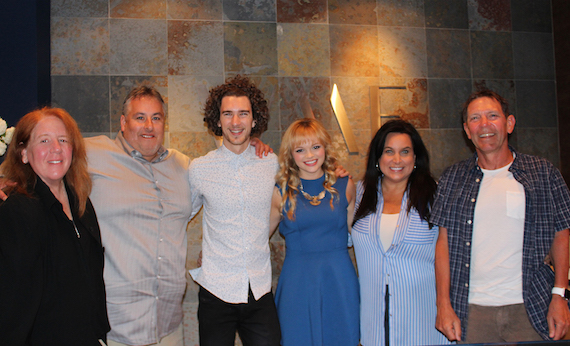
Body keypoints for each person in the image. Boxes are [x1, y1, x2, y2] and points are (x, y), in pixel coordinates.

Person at [86, 86, 270, 346]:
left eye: (157, 117)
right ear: (123, 122)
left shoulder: (184, 166)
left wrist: (248, 143)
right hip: (117, 326)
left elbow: (224, 176)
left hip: (169, 327)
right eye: (140, 117)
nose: (149, 126)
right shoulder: (94, 154)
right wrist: (11, 178)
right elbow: (50, 155)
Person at [431, 90, 570, 343]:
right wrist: (443, 303)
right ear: (466, 129)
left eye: (492, 116)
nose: (484, 125)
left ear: (509, 123)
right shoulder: (452, 178)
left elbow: (561, 234)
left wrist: (559, 295)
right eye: (475, 118)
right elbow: (443, 244)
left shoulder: (543, 173)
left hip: (532, 309)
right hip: (472, 313)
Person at [0, 107, 110, 345]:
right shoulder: (18, 211)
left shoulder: (80, 201)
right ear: (24, 153)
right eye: (44, 140)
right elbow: (12, 303)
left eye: (63, 140)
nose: (56, 148)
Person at [188, 75, 282, 345]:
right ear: (217, 120)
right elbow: (181, 214)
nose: (236, 122)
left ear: (255, 120)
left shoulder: (271, 163)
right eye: (227, 114)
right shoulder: (200, 169)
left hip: (260, 290)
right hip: (216, 291)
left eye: (243, 114)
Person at [351, 119, 449, 346]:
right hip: (374, 324)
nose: (397, 160)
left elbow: (451, 254)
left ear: (415, 158)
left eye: (405, 152)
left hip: (424, 323)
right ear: (378, 158)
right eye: (389, 152)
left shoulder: (436, 195)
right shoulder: (358, 193)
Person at [269, 118, 360, 345]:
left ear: (325, 148)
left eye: (315, 147)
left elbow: (356, 236)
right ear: (291, 154)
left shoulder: (345, 185)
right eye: (300, 149)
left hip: (339, 280)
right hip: (297, 282)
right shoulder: (280, 192)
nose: (309, 155)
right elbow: (258, 239)